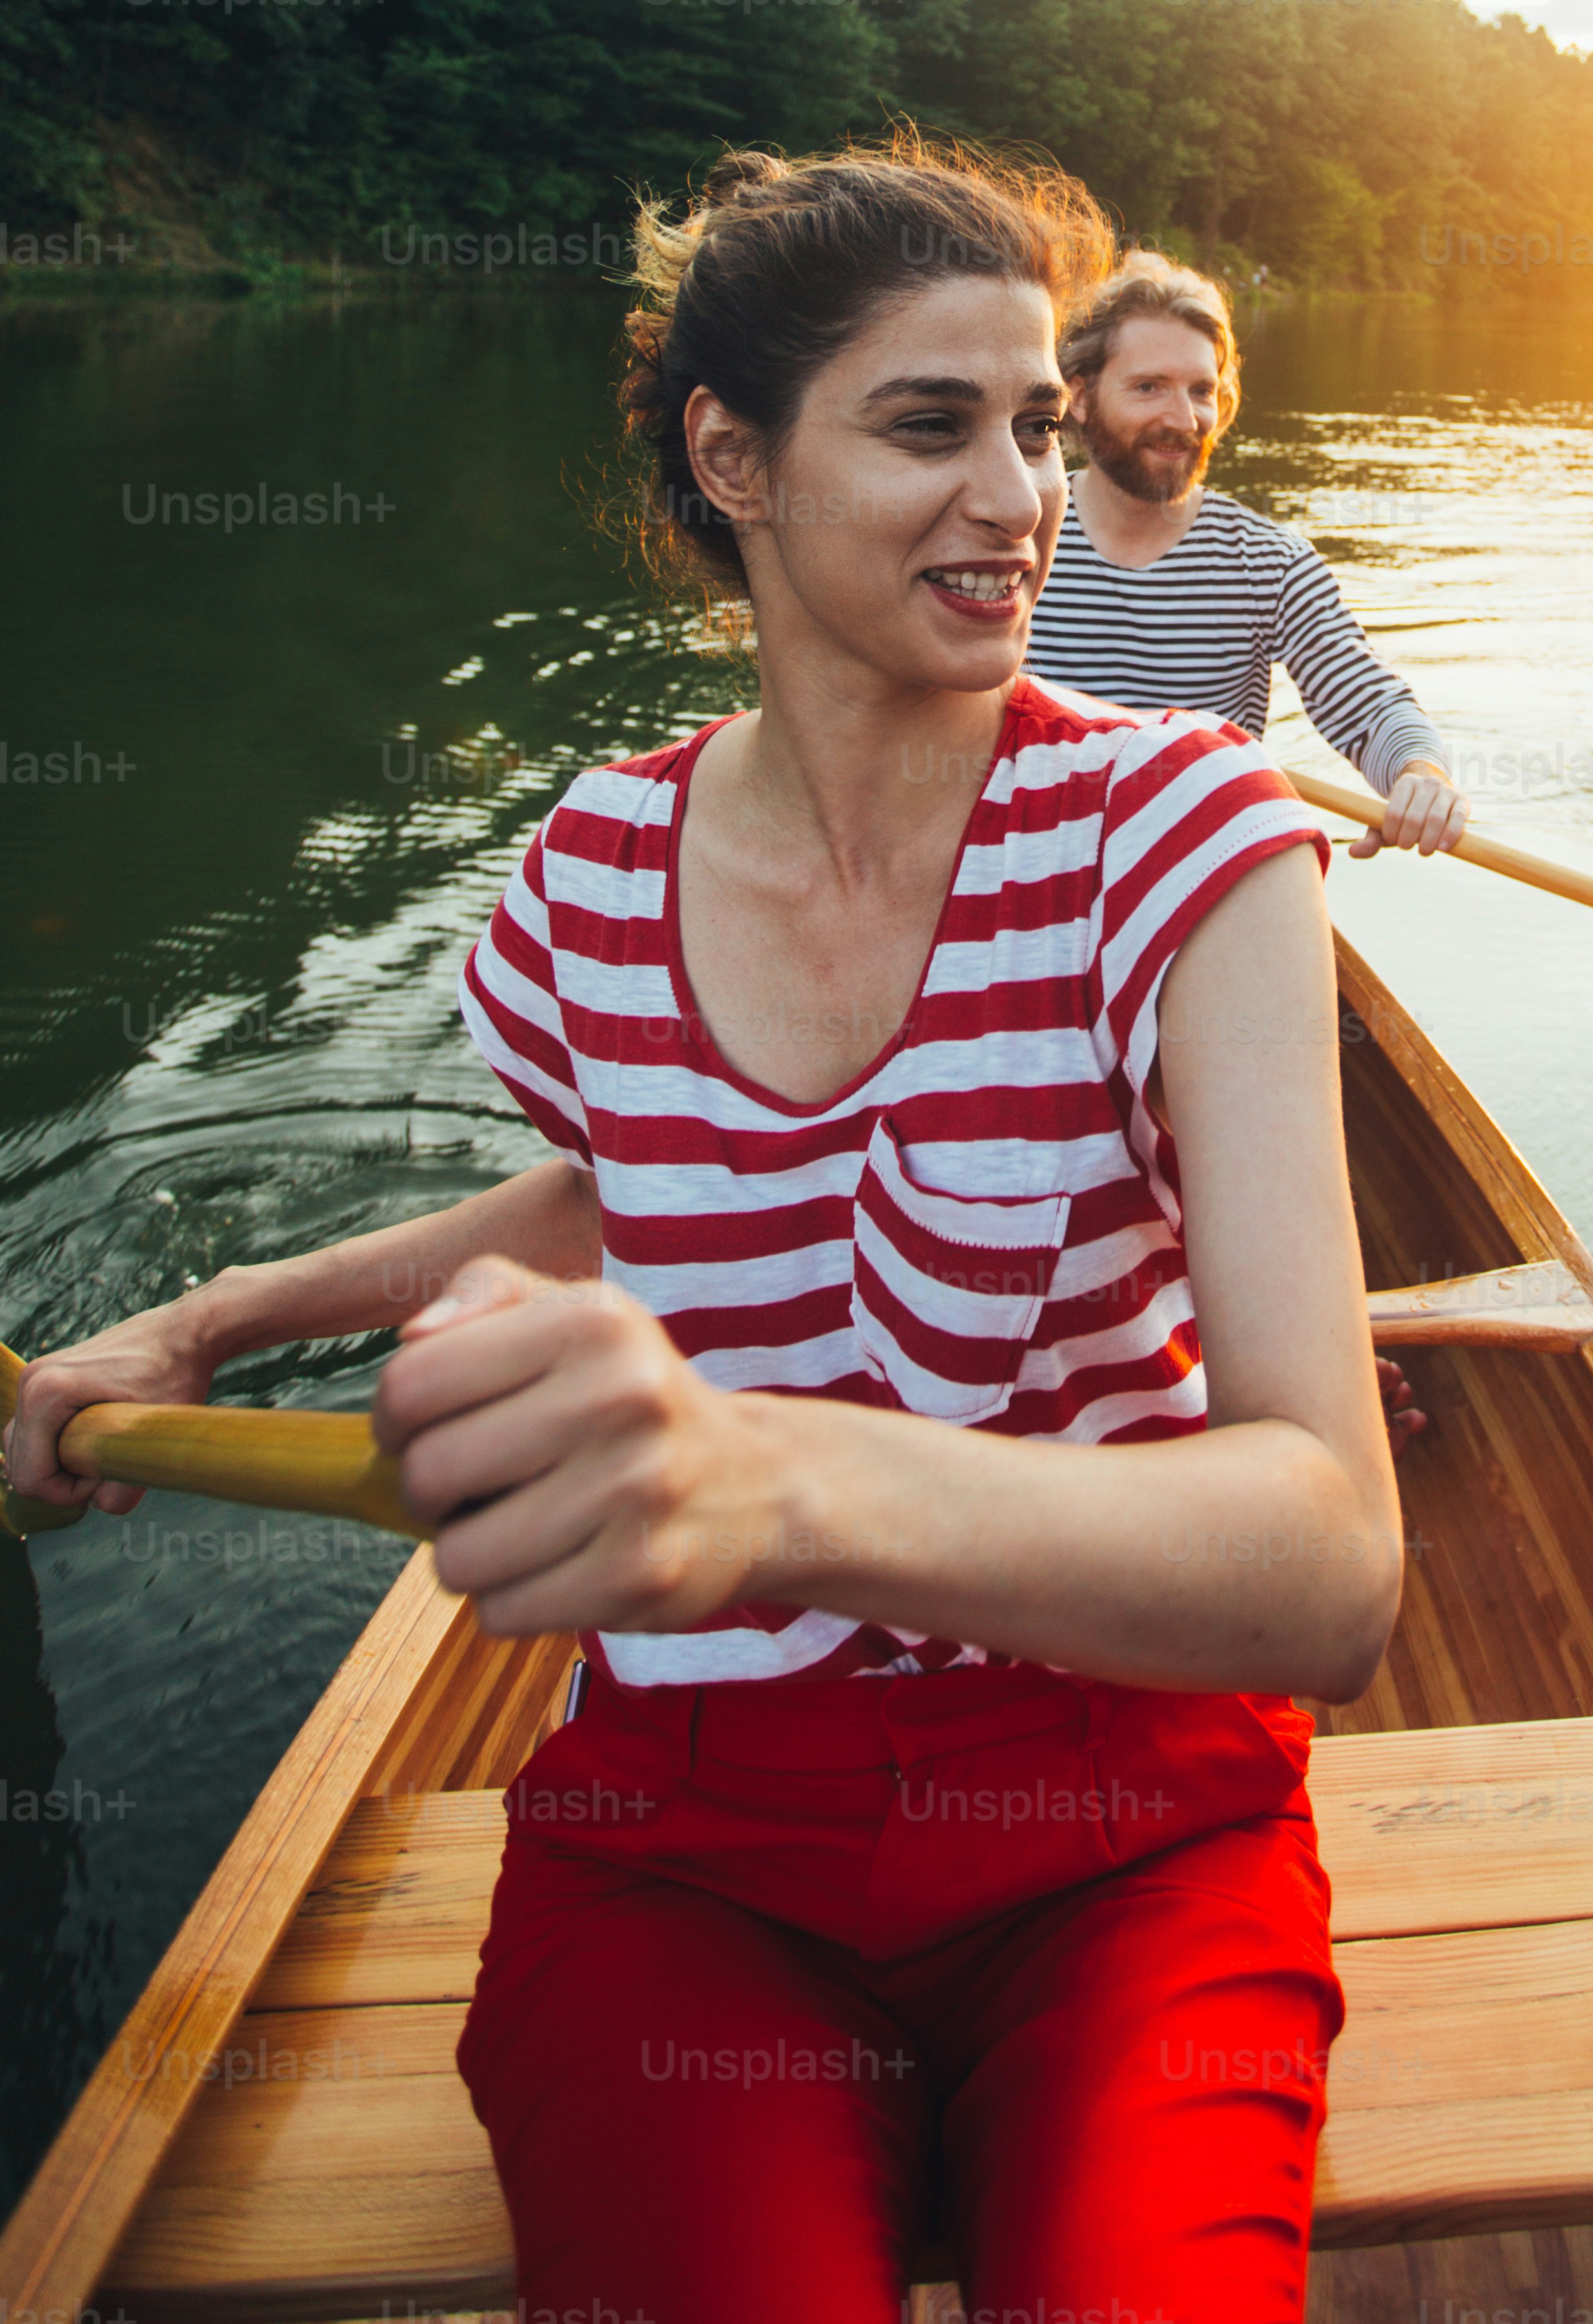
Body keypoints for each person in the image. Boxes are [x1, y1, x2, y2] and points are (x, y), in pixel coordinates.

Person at [6, 139, 1402, 2324]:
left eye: (1036, 422)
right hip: (689, 1847)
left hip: (1132, 1824)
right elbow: (623, 1183)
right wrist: (205, 1315)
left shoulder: (1191, 838)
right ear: (730, 457)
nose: (1023, 491)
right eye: (930, 425)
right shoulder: (587, 875)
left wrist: (769, 1482)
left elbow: (1330, 1564)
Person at [1028, 253, 1472, 858]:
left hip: (1197, 869)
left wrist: (1421, 774)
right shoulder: (1020, 535)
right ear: (1078, 397)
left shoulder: (1271, 562)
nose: (1184, 420)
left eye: (1201, 391)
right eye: (1149, 387)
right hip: (1038, 856)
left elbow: (1367, 701)